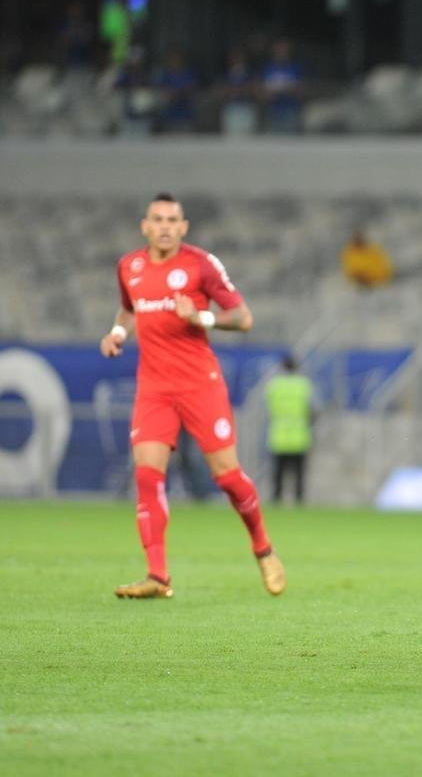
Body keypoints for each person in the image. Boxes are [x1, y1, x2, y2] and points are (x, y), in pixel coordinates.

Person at [99, 193, 285, 599]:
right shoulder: (129, 267)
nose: (165, 226)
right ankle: (157, 576)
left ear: (183, 227)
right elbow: (129, 309)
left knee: (228, 477)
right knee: (147, 476)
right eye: (158, 219)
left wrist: (200, 316)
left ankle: (263, 548)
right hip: (154, 388)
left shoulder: (201, 264)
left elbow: (243, 317)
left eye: (173, 220)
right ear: (145, 226)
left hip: (200, 384)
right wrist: (117, 333)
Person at [264, 354, 317, 504]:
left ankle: (276, 501)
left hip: (279, 435)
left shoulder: (274, 385)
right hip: (299, 435)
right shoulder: (304, 385)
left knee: (278, 473)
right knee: (299, 474)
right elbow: (313, 409)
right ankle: (299, 501)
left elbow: (267, 408)